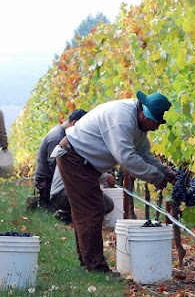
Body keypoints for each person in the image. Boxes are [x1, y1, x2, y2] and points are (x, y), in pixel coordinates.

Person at [53, 90, 177, 274]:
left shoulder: (138, 125)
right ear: (145, 115)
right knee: (92, 210)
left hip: (83, 161)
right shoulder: (123, 119)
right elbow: (127, 157)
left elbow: (144, 154)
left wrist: (164, 171)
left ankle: (87, 261)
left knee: (87, 210)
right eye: (155, 123)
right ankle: (96, 267)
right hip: (74, 157)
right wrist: (156, 178)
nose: (156, 128)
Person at [32, 109, 87, 208]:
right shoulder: (57, 138)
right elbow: (56, 166)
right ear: (75, 123)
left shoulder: (60, 133)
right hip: (47, 184)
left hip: (49, 181)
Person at [49, 166, 115, 224]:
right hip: (64, 194)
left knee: (106, 204)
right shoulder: (80, 153)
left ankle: (66, 216)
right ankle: (80, 221)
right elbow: (88, 170)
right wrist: (107, 177)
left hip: (58, 195)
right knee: (106, 204)